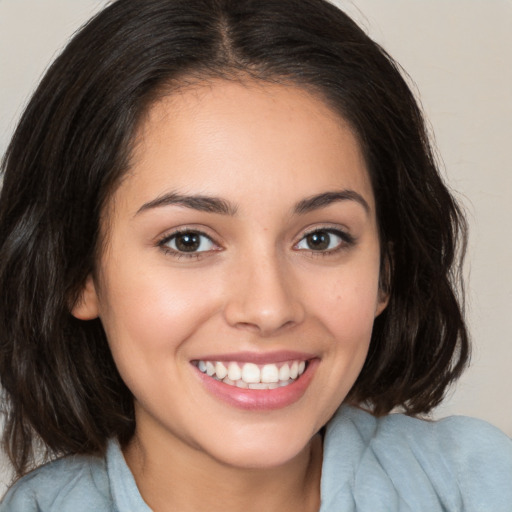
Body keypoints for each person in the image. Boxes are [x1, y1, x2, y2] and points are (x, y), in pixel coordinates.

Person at [0, 0, 510, 510]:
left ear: (384, 271)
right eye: (188, 241)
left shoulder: (480, 483)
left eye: (320, 238)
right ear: (78, 273)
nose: (269, 308)